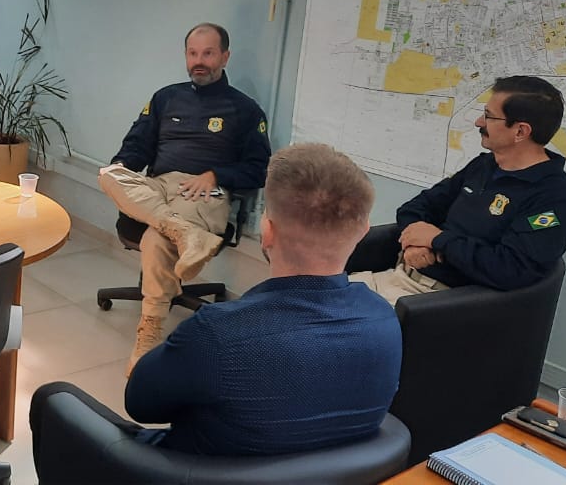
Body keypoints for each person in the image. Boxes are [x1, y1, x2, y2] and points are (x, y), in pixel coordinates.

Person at [32, 143, 401, 458]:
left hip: (182, 473)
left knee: (54, 400)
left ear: (267, 233)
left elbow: (140, 404)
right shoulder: (386, 321)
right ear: (362, 232)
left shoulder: (217, 333)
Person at [98, 22, 271, 374]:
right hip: (159, 187)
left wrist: (216, 175)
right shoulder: (165, 97)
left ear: (225, 56)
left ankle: (149, 333)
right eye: (193, 53)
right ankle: (181, 229)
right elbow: (135, 148)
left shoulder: (245, 110)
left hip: (203, 191)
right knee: (108, 174)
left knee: (155, 239)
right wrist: (124, 172)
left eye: (208, 53)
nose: (199, 61)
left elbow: (258, 169)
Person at [351, 76, 566, 303]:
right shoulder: (483, 166)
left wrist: (438, 240)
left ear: (520, 131)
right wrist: (415, 242)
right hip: (399, 275)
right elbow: (415, 207)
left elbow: (510, 269)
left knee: (334, 318)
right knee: (328, 294)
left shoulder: (554, 195)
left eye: (489, 116)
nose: (479, 122)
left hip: (440, 301)